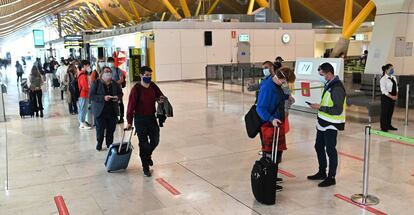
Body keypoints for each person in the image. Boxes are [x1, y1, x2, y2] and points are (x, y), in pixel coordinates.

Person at [307, 63, 346, 187]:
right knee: (318, 147)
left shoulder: (337, 87)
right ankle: (322, 172)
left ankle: (331, 177)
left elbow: (337, 109)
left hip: (332, 124)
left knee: (330, 150)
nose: (321, 77)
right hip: (322, 122)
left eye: (322, 74)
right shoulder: (329, 84)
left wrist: (320, 107)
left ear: (328, 73)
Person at [256, 61, 289, 192]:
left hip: (277, 125)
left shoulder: (277, 85)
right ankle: (268, 181)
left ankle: (272, 177)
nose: (285, 84)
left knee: (277, 155)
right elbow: (260, 108)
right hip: (269, 125)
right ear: (281, 78)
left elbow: (283, 95)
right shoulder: (268, 87)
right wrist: (271, 119)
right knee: (270, 155)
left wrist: (287, 92)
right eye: (285, 82)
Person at [127, 66, 164, 177]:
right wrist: (129, 121)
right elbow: (130, 107)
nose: (148, 77)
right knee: (143, 144)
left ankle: (147, 156)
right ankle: (145, 168)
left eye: (150, 75)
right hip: (140, 119)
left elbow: (160, 95)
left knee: (155, 140)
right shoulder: (136, 89)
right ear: (141, 75)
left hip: (151, 118)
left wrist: (161, 99)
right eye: (146, 75)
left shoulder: (152, 86)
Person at [89, 66, 123, 151]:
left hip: (112, 111)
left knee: (111, 130)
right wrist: (103, 98)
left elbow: (120, 93)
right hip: (100, 111)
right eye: (106, 72)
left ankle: (109, 145)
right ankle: (99, 143)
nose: (109, 73)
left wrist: (117, 97)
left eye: (110, 71)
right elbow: (91, 96)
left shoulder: (115, 83)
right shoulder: (96, 83)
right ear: (101, 74)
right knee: (100, 130)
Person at [380, 64, 398, 132]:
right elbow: (383, 90)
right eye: (391, 69)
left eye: (393, 69)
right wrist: (392, 97)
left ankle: (389, 125)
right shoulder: (383, 79)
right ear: (386, 70)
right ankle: (383, 127)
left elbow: (396, 87)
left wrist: (396, 95)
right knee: (385, 112)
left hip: (393, 97)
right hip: (386, 97)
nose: (392, 70)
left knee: (390, 112)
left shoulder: (393, 77)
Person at [107, 57, 126, 123]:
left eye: (111, 62)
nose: (110, 64)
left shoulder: (118, 70)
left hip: (117, 90)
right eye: (109, 62)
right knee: (112, 104)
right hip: (109, 90)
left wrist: (114, 83)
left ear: (113, 62)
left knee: (120, 103)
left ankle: (121, 117)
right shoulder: (106, 70)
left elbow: (121, 79)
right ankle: (114, 117)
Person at [77, 60, 92, 130]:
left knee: (82, 109)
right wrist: (90, 91)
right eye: (88, 65)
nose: (89, 67)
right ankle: (82, 124)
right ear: (84, 66)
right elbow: (85, 86)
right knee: (83, 109)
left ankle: (81, 122)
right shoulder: (82, 75)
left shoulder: (81, 73)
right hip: (84, 94)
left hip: (82, 94)